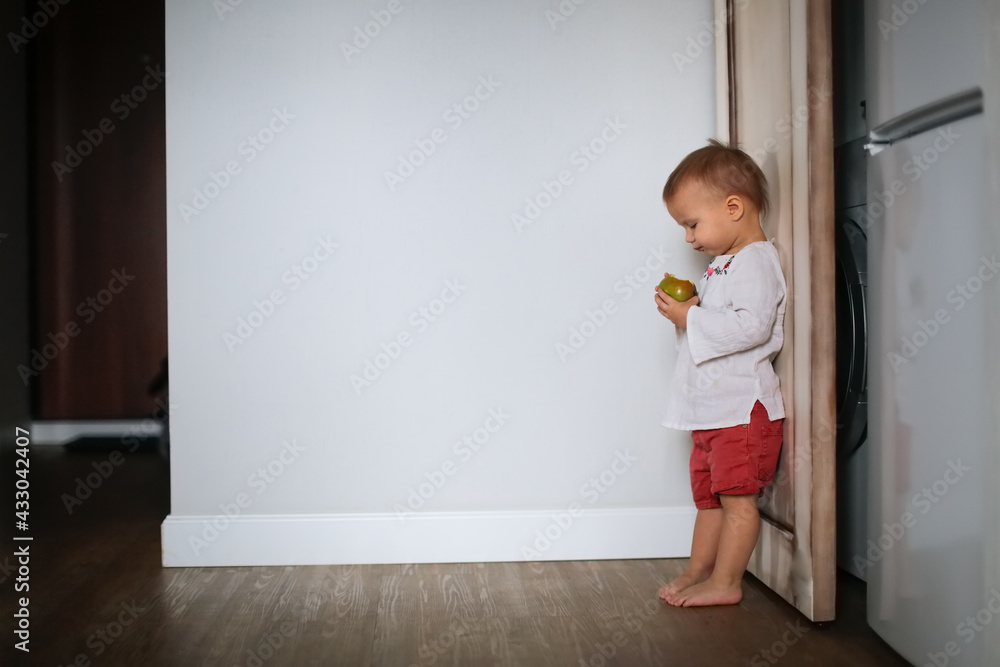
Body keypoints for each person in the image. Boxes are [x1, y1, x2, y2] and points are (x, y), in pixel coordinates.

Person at [653, 139, 786, 607]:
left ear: (733, 207)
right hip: (711, 414)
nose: (689, 238)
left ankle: (727, 583)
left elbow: (752, 326)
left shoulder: (755, 261)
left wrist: (691, 318)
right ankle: (699, 570)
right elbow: (711, 335)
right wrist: (687, 312)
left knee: (737, 502)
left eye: (692, 224)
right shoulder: (720, 267)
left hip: (740, 413)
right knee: (709, 500)